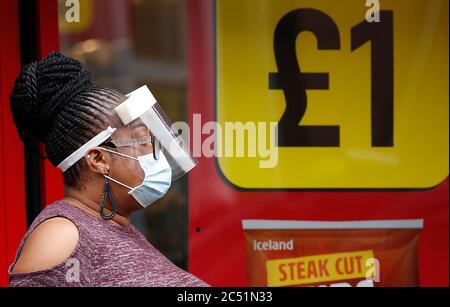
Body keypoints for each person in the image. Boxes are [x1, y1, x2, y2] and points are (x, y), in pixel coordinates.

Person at [7, 52, 208, 287]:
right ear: (98, 159)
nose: (155, 151)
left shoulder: (118, 229)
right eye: (142, 140)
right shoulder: (62, 236)